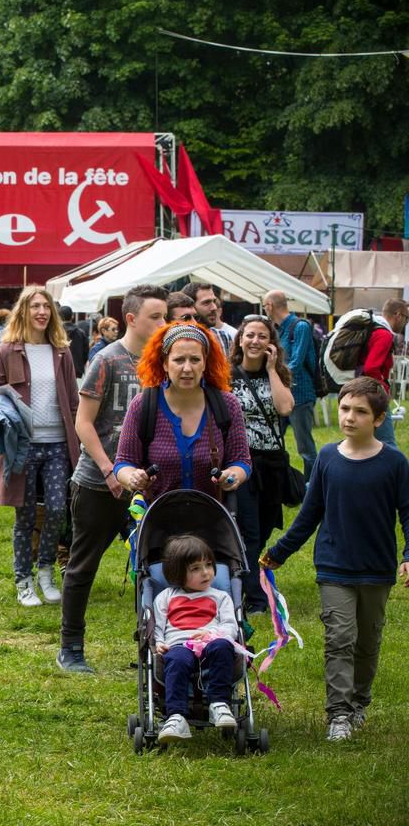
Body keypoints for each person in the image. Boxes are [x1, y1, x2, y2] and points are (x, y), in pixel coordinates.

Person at [263, 376, 409, 741]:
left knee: (367, 642)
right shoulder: (327, 457)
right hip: (334, 567)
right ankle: (339, 713)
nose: (349, 417)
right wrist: (279, 552)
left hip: (376, 570)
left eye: (360, 412)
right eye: (345, 409)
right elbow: (310, 514)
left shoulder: (394, 462)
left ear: (378, 419)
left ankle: (359, 702)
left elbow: (408, 514)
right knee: (340, 638)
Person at [57, 285, 169, 673]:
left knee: (155, 566)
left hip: (148, 483)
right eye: (156, 316)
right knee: (83, 565)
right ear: (132, 319)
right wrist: (109, 470)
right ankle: (71, 647)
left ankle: (154, 647)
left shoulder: (164, 364)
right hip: (98, 482)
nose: (163, 323)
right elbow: (83, 423)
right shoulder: (107, 360)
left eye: (165, 316)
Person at [0, 286, 80, 607]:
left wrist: (78, 441)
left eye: (47, 307)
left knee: (58, 509)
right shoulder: (7, 350)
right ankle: (23, 580)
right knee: (25, 515)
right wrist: (5, 401)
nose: (41, 312)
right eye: (35, 306)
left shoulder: (62, 351)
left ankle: (45, 571)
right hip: (24, 445)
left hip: (57, 443)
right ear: (24, 311)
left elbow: (72, 400)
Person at [113, 322, 251, 509]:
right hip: (157, 522)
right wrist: (132, 477)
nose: (187, 368)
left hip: (212, 520)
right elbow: (124, 461)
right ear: (165, 363)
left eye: (195, 360)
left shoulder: (227, 404)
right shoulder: (143, 405)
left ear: (205, 363)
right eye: (179, 360)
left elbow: (241, 459)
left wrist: (233, 476)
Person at [229, 315, 294, 613]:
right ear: (240, 339)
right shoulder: (227, 376)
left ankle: (251, 578)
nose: (255, 341)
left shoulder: (277, 373)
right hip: (242, 463)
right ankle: (254, 599)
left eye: (262, 336)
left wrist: (271, 370)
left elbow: (284, 408)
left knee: (266, 527)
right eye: (250, 335)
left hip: (272, 464)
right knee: (250, 531)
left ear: (271, 344)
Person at [153, 535, 241, 743]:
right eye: (195, 568)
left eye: (209, 565)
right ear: (177, 574)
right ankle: (176, 716)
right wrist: (157, 642)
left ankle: (219, 704)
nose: (206, 572)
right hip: (178, 645)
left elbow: (230, 626)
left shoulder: (220, 597)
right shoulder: (166, 596)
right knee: (176, 659)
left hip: (211, 642)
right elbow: (156, 625)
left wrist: (213, 635)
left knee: (222, 646)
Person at [262, 290, 318, 480]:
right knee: (274, 441)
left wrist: (274, 375)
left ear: (270, 305)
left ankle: (313, 486)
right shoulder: (277, 329)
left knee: (305, 448)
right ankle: (281, 481)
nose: (264, 309)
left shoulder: (300, 326)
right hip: (281, 395)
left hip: (301, 395)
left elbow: (296, 361)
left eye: (264, 305)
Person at [363, 299, 406, 450]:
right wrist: (384, 391)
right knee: (389, 446)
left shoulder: (374, 330)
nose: (405, 323)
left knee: (367, 446)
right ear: (398, 315)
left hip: (362, 393)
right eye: (406, 318)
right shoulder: (384, 335)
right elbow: (371, 368)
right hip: (374, 395)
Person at [60, 305, 90, 378]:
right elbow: (86, 352)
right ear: (72, 316)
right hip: (77, 369)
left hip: (60, 369)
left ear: (59, 317)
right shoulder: (81, 332)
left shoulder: (55, 333)